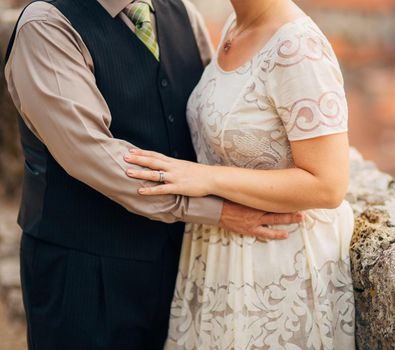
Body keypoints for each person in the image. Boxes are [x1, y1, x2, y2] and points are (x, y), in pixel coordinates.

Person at [4, 0, 302, 349]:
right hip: (83, 272)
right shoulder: (46, 24)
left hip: (180, 263)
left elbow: (209, 114)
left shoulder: (183, 13)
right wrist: (217, 211)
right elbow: (93, 156)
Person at [124, 0, 357, 348]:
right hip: (218, 258)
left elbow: (329, 184)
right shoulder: (236, 25)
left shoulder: (297, 47)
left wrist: (208, 178)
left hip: (276, 265)